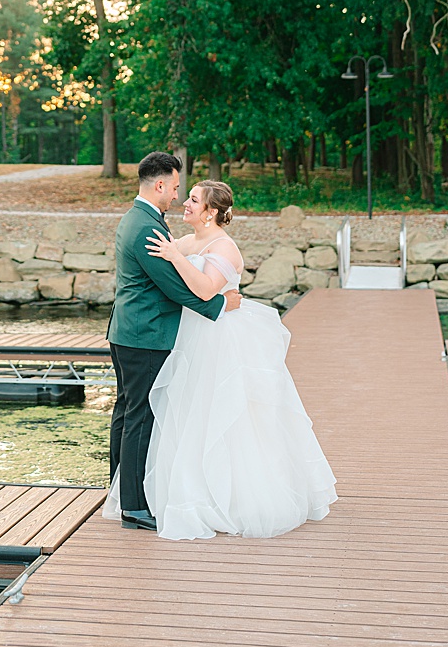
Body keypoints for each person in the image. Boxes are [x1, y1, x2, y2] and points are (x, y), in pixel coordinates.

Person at [116, 178, 337, 540]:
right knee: (185, 414)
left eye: (193, 200)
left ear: (211, 212)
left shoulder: (225, 246)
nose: (185, 203)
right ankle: (173, 490)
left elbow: (204, 288)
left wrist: (174, 256)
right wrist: (173, 253)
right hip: (189, 334)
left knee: (221, 411)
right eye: (185, 197)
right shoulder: (187, 241)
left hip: (217, 337)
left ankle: (229, 495)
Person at [104, 152, 238, 532]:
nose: (178, 196)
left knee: (127, 412)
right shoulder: (147, 227)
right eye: (176, 187)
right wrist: (220, 305)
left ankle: (118, 488)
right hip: (146, 334)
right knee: (140, 416)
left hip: (127, 331)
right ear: (159, 184)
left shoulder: (138, 217)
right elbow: (175, 287)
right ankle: (133, 505)